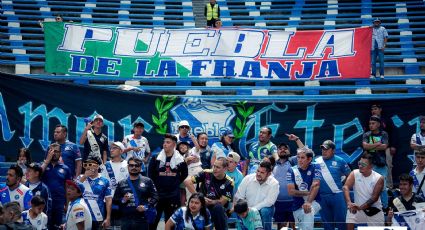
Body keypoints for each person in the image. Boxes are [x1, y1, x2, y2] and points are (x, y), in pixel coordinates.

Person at [148, 134, 188, 230]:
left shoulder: (180, 160)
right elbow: (150, 175)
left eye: (168, 142)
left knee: (171, 225)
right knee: (153, 222)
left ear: (174, 145)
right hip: (157, 195)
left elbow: (185, 174)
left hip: (173, 196)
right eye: (164, 142)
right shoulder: (155, 158)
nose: (165, 144)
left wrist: (175, 182)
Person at [184, 157, 234, 230]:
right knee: (193, 205)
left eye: (218, 167)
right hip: (201, 205)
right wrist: (199, 198)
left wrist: (211, 202)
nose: (214, 169)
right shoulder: (206, 173)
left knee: (219, 208)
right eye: (214, 166)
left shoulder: (229, 182)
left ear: (225, 169)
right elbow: (187, 182)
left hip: (215, 209)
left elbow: (222, 202)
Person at [113, 157, 158, 230]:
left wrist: (146, 207)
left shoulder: (147, 181)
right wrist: (123, 200)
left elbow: (155, 197)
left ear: (140, 167)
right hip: (125, 219)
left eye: (137, 165)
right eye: (131, 165)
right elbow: (115, 200)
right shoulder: (121, 183)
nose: (134, 167)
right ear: (128, 167)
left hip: (142, 219)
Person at [315, 140, 351, 230]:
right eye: (322, 149)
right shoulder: (316, 161)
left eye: (326, 149)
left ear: (333, 150)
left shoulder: (340, 161)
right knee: (327, 224)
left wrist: (344, 185)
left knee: (341, 221)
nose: (324, 151)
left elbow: (350, 176)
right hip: (322, 196)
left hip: (337, 195)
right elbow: (305, 152)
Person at [343, 153, 385, 229]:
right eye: (359, 163)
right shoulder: (354, 173)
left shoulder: (379, 178)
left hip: (374, 210)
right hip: (358, 209)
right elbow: (345, 187)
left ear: (371, 166)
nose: (360, 166)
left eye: (363, 164)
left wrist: (359, 208)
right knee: (350, 213)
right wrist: (349, 203)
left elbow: (374, 198)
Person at [235, 161, 279, 230]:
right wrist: (245, 209)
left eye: (262, 172)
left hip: (263, 208)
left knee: (265, 211)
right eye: (258, 171)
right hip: (246, 208)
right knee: (239, 208)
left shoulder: (274, 183)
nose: (258, 174)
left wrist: (252, 210)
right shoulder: (248, 178)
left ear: (269, 174)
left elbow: (269, 202)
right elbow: (239, 196)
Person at [287, 146, 322, 230]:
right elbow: (291, 191)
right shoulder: (291, 170)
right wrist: (307, 192)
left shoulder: (316, 166)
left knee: (308, 210)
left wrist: (309, 202)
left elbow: (316, 185)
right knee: (301, 227)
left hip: (315, 201)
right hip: (297, 206)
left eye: (302, 157)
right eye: (298, 157)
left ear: (309, 159)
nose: (299, 160)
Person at [41, 143, 72, 230]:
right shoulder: (42, 166)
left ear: (60, 153)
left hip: (59, 202)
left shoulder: (65, 168)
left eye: (57, 151)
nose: (54, 153)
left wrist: (67, 204)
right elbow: (37, 175)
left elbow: (67, 188)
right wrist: (46, 161)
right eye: (52, 151)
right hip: (44, 202)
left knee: (57, 227)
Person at [78, 156, 112, 230]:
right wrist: (84, 177)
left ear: (97, 166)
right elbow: (73, 191)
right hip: (81, 216)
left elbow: (108, 200)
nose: (88, 167)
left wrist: (108, 218)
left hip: (97, 217)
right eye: (86, 164)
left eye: (91, 164)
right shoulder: (80, 178)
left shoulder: (105, 180)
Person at [362, 115, 389, 209]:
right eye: (370, 123)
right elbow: (364, 146)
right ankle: (371, 206)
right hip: (369, 164)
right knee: (370, 186)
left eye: (373, 123)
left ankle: (385, 207)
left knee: (383, 187)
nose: (371, 125)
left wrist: (370, 146)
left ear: (378, 124)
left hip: (381, 164)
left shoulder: (384, 134)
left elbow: (384, 146)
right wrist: (377, 144)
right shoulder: (366, 134)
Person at [101, 141, 129, 228]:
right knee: (106, 225)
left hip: (122, 201)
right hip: (107, 201)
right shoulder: (106, 165)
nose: (111, 150)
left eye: (114, 148)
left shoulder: (127, 165)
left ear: (121, 151)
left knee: (120, 226)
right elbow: (102, 183)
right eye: (111, 148)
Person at [368, 104, 396, 189]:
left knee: (388, 166)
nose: (373, 111)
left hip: (385, 147)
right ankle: (373, 187)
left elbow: (393, 133)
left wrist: (393, 146)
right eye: (372, 109)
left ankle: (389, 187)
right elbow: (366, 135)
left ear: (380, 109)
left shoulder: (386, 119)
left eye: (375, 109)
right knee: (372, 165)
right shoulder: (370, 121)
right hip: (373, 148)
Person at [273, 143, 295, 230]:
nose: (282, 150)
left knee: (294, 228)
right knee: (281, 228)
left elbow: (307, 152)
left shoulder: (294, 161)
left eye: (285, 148)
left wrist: (296, 140)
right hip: (278, 202)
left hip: (293, 202)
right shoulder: (272, 163)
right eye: (280, 148)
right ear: (277, 151)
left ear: (289, 151)